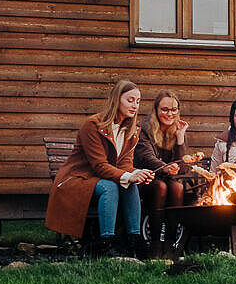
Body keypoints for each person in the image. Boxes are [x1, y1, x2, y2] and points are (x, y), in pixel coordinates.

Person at [45, 80, 155, 257]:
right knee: (111, 187)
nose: (135, 105)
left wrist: (137, 174)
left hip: (100, 178)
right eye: (130, 100)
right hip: (78, 178)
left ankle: (134, 241)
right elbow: (99, 165)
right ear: (116, 100)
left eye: (138, 101)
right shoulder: (93, 125)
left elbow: (125, 164)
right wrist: (129, 175)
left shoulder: (132, 131)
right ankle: (107, 243)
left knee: (130, 184)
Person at [134, 90, 191, 259]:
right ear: (156, 109)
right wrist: (165, 167)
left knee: (177, 188)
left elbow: (184, 168)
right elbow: (146, 157)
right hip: (143, 178)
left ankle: (170, 244)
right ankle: (155, 246)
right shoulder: (144, 129)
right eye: (165, 109)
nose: (170, 114)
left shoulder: (177, 129)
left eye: (174, 110)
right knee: (160, 186)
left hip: (166, 179)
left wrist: (180, 139)